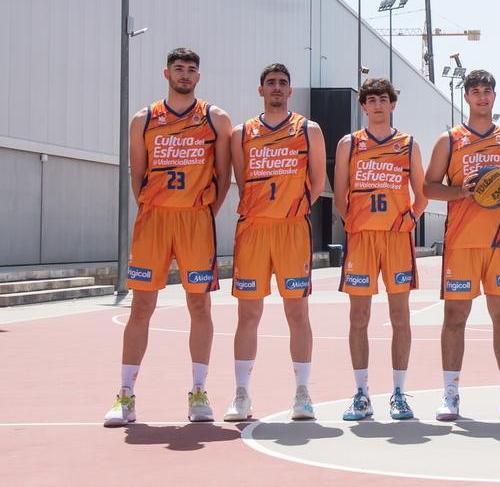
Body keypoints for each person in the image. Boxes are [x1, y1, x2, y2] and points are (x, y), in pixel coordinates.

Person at [104, 48, 233, 427]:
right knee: (141, 308)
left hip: (196, 220)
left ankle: (198, 392)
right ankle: (125, 396)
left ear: (198, 77)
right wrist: (154, 208)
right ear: (166, 73)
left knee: (200, 307)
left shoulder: (216, 118)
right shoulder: (144, 118)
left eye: (192, 70)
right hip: (155, 220)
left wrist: (208, 211)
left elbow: (224, 176)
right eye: (179, 68)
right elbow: (137, 175)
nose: (185, 74)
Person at [423, 69, 500, 421]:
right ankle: (450, 394)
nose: (482, 97)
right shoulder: (449, 140)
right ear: (466, 97)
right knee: (455, 317)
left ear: (494, 97)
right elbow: (428, 187)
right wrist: (460, 192)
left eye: (487, 91)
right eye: (476, 92)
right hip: (462, 243)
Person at [223, 63, 326, 422]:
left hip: (292, 230)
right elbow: (241, 177)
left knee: (297, 313)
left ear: (290, 90)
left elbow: (317, 180)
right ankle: (241, 394)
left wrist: (290, 209)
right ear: (260, 90)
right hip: (253, 230)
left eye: (283, 83)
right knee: (248, 313)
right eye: (271, 83)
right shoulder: (241, 133)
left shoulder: (308, 130)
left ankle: (302, 392)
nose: (277, 88)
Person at [332, 78, 427, 421]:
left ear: (392, 105)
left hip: (396, 239)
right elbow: (339, 193)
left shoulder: (408, 144)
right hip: (362, 239)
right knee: (359, 317)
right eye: (370, 100)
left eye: (382, 100)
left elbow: (422, 193)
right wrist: (353, 221)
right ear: (363, 106)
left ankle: (399, 393)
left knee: (400, 317)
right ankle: (361, 393)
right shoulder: (349, 144)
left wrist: (408, 220)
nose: (376, 105)